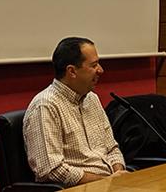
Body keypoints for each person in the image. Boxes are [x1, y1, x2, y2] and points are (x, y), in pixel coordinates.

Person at [23, 37, 128, 186]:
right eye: (94, 65)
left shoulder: (92, 99)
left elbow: (111, 148)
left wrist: (119, 174)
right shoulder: (45, 106)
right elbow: (51, 170)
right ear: (72, 71)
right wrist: (106, 181)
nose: (101, 70)